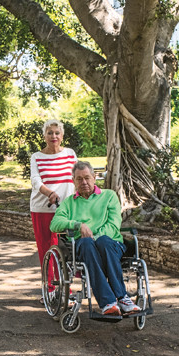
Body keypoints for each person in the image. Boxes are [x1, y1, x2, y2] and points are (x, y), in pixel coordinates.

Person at [49, 161, 141, 316]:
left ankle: (122, 298)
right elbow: (54, 224)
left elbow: (113, 225)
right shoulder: (69, 203)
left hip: (110, 244)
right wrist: (78, 225)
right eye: (79, 179)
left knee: (103, 241)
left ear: (94, 177)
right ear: (74, 181)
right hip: (85, 247)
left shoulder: (109, 196)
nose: (84, 182)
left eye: (87, 178)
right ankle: (108, 303)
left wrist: (95, 237)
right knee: (85, 243)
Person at [30, 119, 77, 294]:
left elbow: (77, 176)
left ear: (62, 136)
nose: (54, 136)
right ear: (44, 136)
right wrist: (49, 193)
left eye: (57, 133)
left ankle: (65, 288)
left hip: (66, 210)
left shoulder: (70, 154)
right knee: (46, 249)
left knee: (64, 249)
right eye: (50, 133)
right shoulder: (37, 157)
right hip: (42, 208)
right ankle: (50, 289)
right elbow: (35, 181)